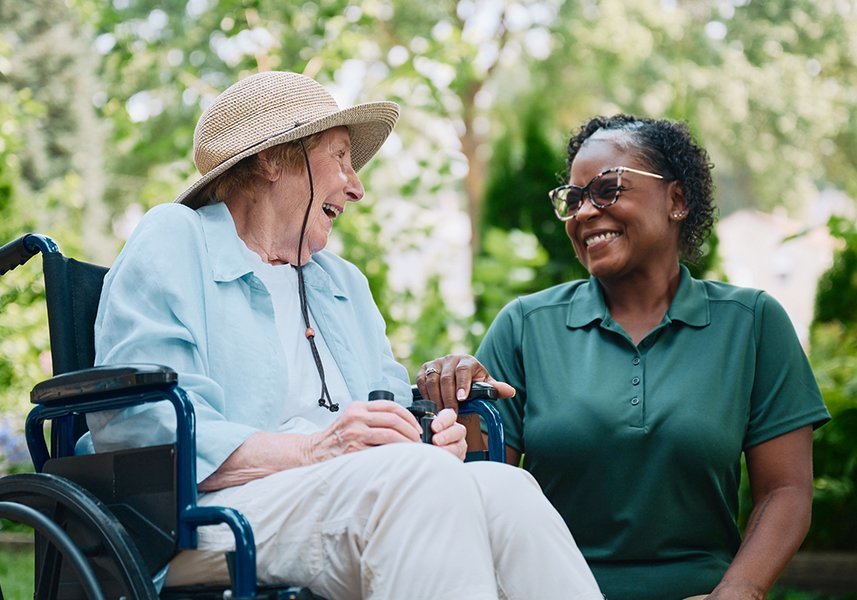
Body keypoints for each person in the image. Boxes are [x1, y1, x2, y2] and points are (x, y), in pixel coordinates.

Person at [87, 71, 602, 600]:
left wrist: (423, 437)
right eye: (340, 158)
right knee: (417, 485)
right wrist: (317, 449)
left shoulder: (341, 283)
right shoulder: (177, 238)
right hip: (203, 528)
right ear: (273, 158)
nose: (356, 187)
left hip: (355, 499)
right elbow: (141, 425)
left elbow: (386, 410)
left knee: (507, 490)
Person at [417, 115, 831, 600]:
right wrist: (455, 398)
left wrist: (738, 591)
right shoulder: (526, 326)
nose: (585, 212)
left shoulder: (752, 323)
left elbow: (786, 491)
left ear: (676, 200)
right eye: (573, 199)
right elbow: (485, 491)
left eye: (607, 189)